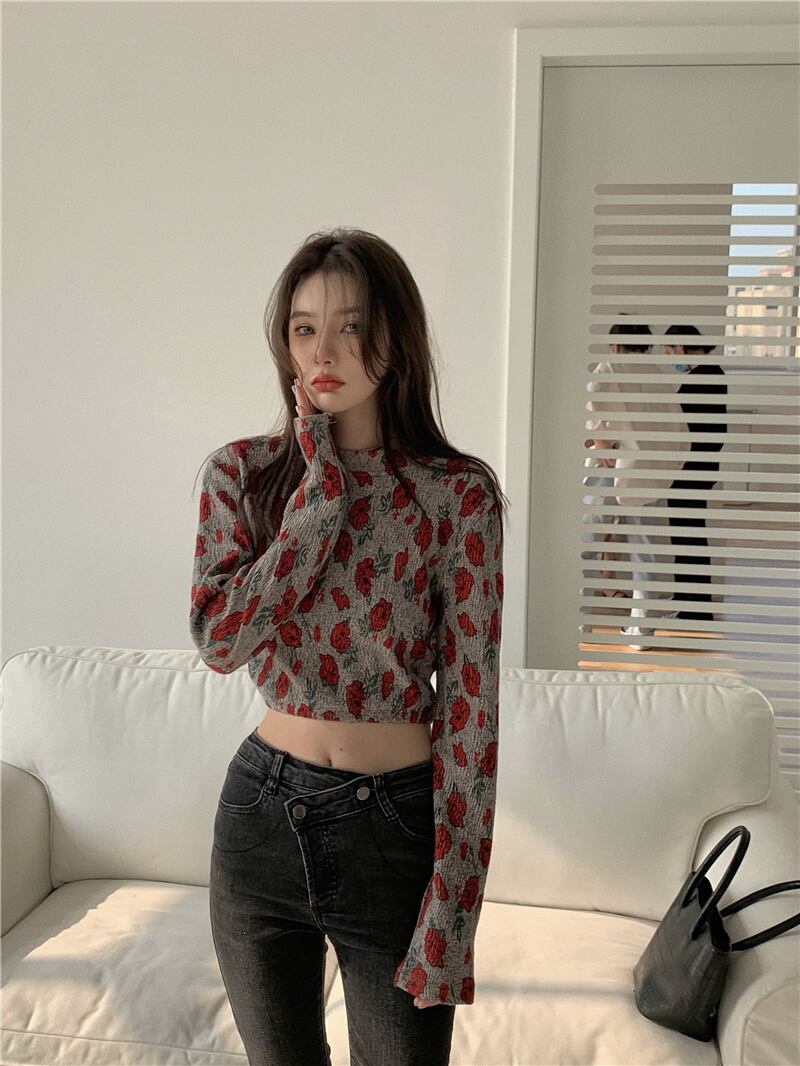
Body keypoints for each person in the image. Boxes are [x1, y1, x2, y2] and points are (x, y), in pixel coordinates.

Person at [189, 228, 506, 1066]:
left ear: (394, 339)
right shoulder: (243, 476)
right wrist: (318, 503)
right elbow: (220, 640)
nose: (323, 352)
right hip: (260, 820)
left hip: (393, 830)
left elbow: (472, 710)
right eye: (303, 328)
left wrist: (455, 908)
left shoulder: (456, 495)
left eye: (350, 326)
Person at [585, 321, 689, 650]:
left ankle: (580, 619)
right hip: (649, 474)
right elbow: (679, 432)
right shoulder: (658, 374)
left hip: (612, 467)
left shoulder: (609, 368)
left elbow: (595, 413)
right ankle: (641, 629)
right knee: (646, 551)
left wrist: (602, 446)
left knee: (586, 542)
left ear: (615, 344)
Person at [663, 324, 727, 622]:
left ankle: (694, 605)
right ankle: (687, 597)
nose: (670, 358)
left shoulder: (703, 378)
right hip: (698, 467)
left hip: (692, 469)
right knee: (687, 532)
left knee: (688, 534)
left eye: (670, 351)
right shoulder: (710, 374)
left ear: (681, 346)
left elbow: (693, 431)